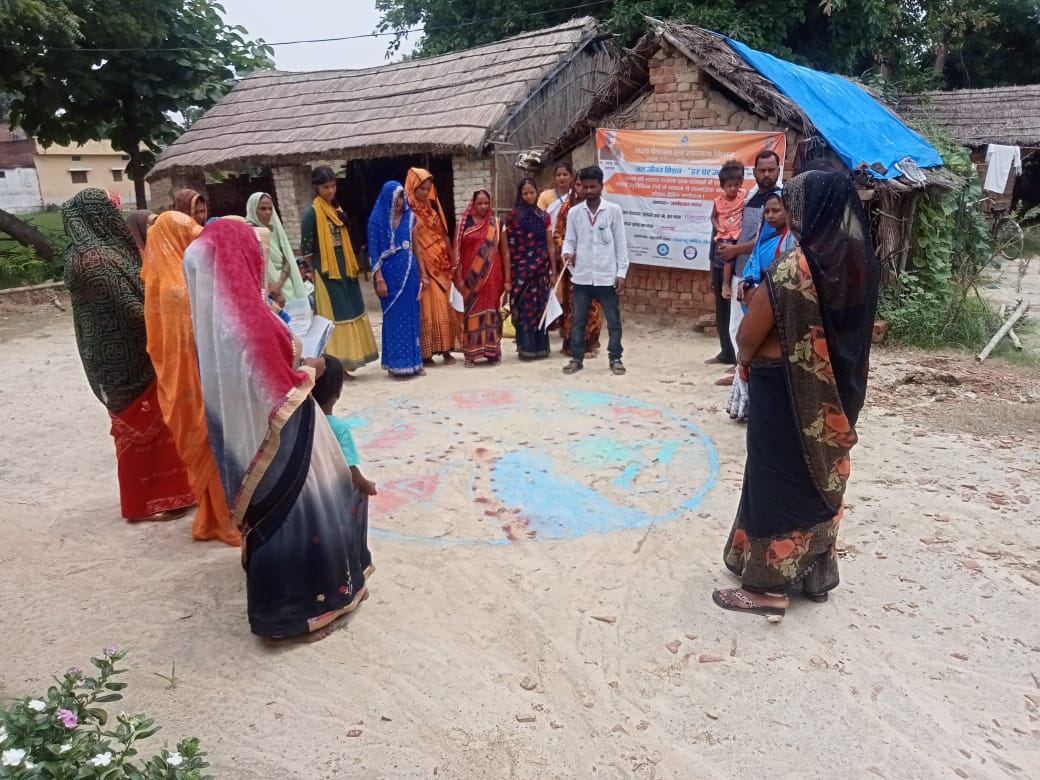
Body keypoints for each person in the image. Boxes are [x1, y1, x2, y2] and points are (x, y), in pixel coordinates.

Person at [182, 220, 373, 643]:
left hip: (247, 439)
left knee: (269, 516)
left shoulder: (213, 320)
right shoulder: (249, 318)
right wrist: (313, 367)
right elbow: (278, 386)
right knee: (303, 513)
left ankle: (278, 606)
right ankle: (303, 609)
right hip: (284, 435)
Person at [712, 169, 879, 620]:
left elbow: (747, 337)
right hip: (837, 397)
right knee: (818, 478)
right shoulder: (859, 263)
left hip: (783, 391)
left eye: (795, 205)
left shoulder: (794, 268)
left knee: (775, 478)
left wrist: (745, 355)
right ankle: (813, 573)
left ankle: (766, 588)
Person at [61, 189, 194, 523]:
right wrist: (176, 315)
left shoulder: (102, 251)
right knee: (146, 425)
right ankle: (156, 499)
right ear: (97, 215)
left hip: (126, 354)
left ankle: (168, 493)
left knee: (156, 424)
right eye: (109, 210)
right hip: (124, 360)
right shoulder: (93, 261)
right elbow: (133, 309)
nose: (116, 217)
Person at [142, 211, 239, 547]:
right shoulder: (177, 286)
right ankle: (221, 521)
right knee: (211, 443)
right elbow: (197, 334)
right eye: (187, 231)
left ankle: (211, 518)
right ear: (173, 238)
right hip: (194, 379)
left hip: (180, 378)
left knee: (206, 447)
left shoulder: (160, 275)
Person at [300, 166, 379, 376]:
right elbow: (307, 251)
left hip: (346, 267)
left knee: (352, 310)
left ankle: (351, 360)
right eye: (325, 187)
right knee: (334, 316)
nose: (330, 191)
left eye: (333, 186)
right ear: (316, 188)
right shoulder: (311, 214)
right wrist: (323, 267)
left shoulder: (337, 210)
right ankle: (336, 366)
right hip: (327, 271)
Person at [727, 191, 797, 421]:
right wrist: (746, 282)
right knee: (747, 350)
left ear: (787, 212)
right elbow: (753, 264)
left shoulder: (791, 241)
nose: (770, 215)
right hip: (755, 301)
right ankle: (742, 408)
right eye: (766, 211)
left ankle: (757, 410)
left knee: (759, 352)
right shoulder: (763, 237)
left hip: (774, 306)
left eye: (776, 210)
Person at [717, 151, 782, 387]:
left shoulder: (778, 201)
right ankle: (740, 370)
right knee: (736, 324)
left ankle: (748, 373)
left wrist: (734, 250)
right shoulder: (751, 196)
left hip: (760, 274)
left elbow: (766, 239)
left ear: (778, 171)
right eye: (762, 170)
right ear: (754, 172)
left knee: (754, 326)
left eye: (771, 170)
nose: (766, 174)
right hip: (741, 270)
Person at [561, 166, 629, 375]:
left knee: (614, 321)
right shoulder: (574, 213)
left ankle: (615, 357)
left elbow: (621, 243)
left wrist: (621, 273)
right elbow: (569, 240)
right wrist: (567, 254)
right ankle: (576, 358)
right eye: (585, 187)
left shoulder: (613, 211)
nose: (588, 191)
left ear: (601, 186)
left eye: (593, 187)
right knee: (578, 321)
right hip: (581, 276)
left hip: (607, 276)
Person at [367, 181, 425, 378]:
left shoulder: (410, 218)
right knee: (393, 318)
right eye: (396, 197)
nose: (400, 201)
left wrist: (424, 275)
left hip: (410, 274)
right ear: (387, 198)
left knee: (412, 317)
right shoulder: (376, 221)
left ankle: (415, 362)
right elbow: (374, 253)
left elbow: (417, 248)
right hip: (388, 278)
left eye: (402, 196)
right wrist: (379, 279)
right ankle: (396, 363)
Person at [405, 167, 457, 366]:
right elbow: (413, 243)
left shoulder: (432, 208)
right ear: (412, 188)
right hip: (424, 266)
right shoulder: (408, 212)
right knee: (430, 308)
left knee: (446, 306)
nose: (425, 193)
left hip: (441, 262)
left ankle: (447, 349)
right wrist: (421, 271)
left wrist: (452, 260)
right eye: (421, 189)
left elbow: (444, 234)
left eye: (428, 189)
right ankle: (427, 353)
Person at [453, 188, 510, 366]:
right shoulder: (464, 224)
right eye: (479, 203)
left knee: (492, 312)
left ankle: (492, 353)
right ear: (473, 204)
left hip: (493, 277)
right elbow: (457, 253)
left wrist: (508, 279)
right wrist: (458, 279)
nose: (483, 206)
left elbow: (505, 253)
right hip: (470, 279)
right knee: (471, 313)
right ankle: (471, 354)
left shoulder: (497, 224)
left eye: (486, 203)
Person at [312, 354, 379, 497]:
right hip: (332, 491)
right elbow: (349, 468)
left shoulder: (304, 421)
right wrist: (366, 485)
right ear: (338, 392)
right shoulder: (339, 429)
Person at [507, 177, 556, 360]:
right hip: (520, 272)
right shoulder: (513, 217)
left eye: (532, 192)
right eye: (525, 193)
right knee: (524, 309)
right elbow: (509, 247)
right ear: (520, 195)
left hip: (541, 271)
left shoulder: (544, 216)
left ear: (537, 193)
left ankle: (541, 348)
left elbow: (550, 246)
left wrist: (553, 271)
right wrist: (509, 275)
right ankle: (526, 348)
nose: (529, 196)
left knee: (540, 307)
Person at [553, 182, 602, 358]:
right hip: (573, 268)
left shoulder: (599, 208)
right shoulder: (568, 208)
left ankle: (590, 342)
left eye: (586, 185)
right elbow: (558, 235)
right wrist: (568, 252)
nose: (583, 189)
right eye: (579, 185)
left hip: (594, 266)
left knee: (593, 306)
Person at [706, 160, 746, 367]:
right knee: (722, 310)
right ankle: (726, 353)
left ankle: (739, 358)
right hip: (719, 260)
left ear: (741, 183)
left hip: (739, 263)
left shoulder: (746, 201)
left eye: (736, 184)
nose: (732, 188)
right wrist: (712, 269)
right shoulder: (719, 205)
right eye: (728, 185)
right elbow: (713, 235)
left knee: (737, 312)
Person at [246, 192, 308, 303]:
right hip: (267, 292)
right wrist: (273, 288)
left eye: (270, 209)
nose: (268, 212)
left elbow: (287, 257)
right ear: (253, 209)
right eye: (263, 209)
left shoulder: (276, 230)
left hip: (286, 284)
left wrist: (279, 284)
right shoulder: (248, 233)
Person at [537, 162, 574, 231]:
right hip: (550, 235)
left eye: (565, 174)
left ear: (571, 177)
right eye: (558, 175)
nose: (561, 177)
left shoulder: (575, 195)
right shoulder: (544, 196)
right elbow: (539, 218)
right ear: (554, 178)